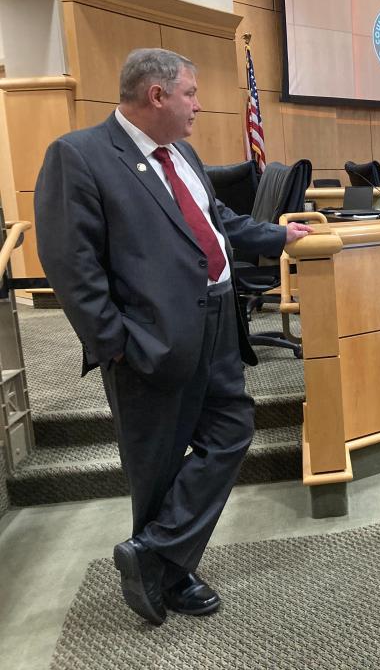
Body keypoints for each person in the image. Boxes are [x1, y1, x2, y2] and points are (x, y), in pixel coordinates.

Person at [34, 48, 312, 625]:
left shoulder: (181, 152)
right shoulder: (79, 156)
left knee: (232, 431)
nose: (198, 106)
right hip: (147, 339)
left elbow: (217, 222)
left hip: (216, 324)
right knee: (156, 463)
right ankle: (172, 576)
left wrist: (276, 236)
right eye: (190, 93)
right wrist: (114, 343)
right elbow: (71, 265)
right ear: (156, 95)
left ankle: (153, 553)